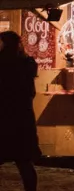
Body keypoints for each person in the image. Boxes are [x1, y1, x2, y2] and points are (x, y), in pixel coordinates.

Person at [0, 31, 39, 191]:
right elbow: (31, 92)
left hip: (3, 117)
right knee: (24, 162)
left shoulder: (2, 64)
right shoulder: (26, 64)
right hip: (22, 120)